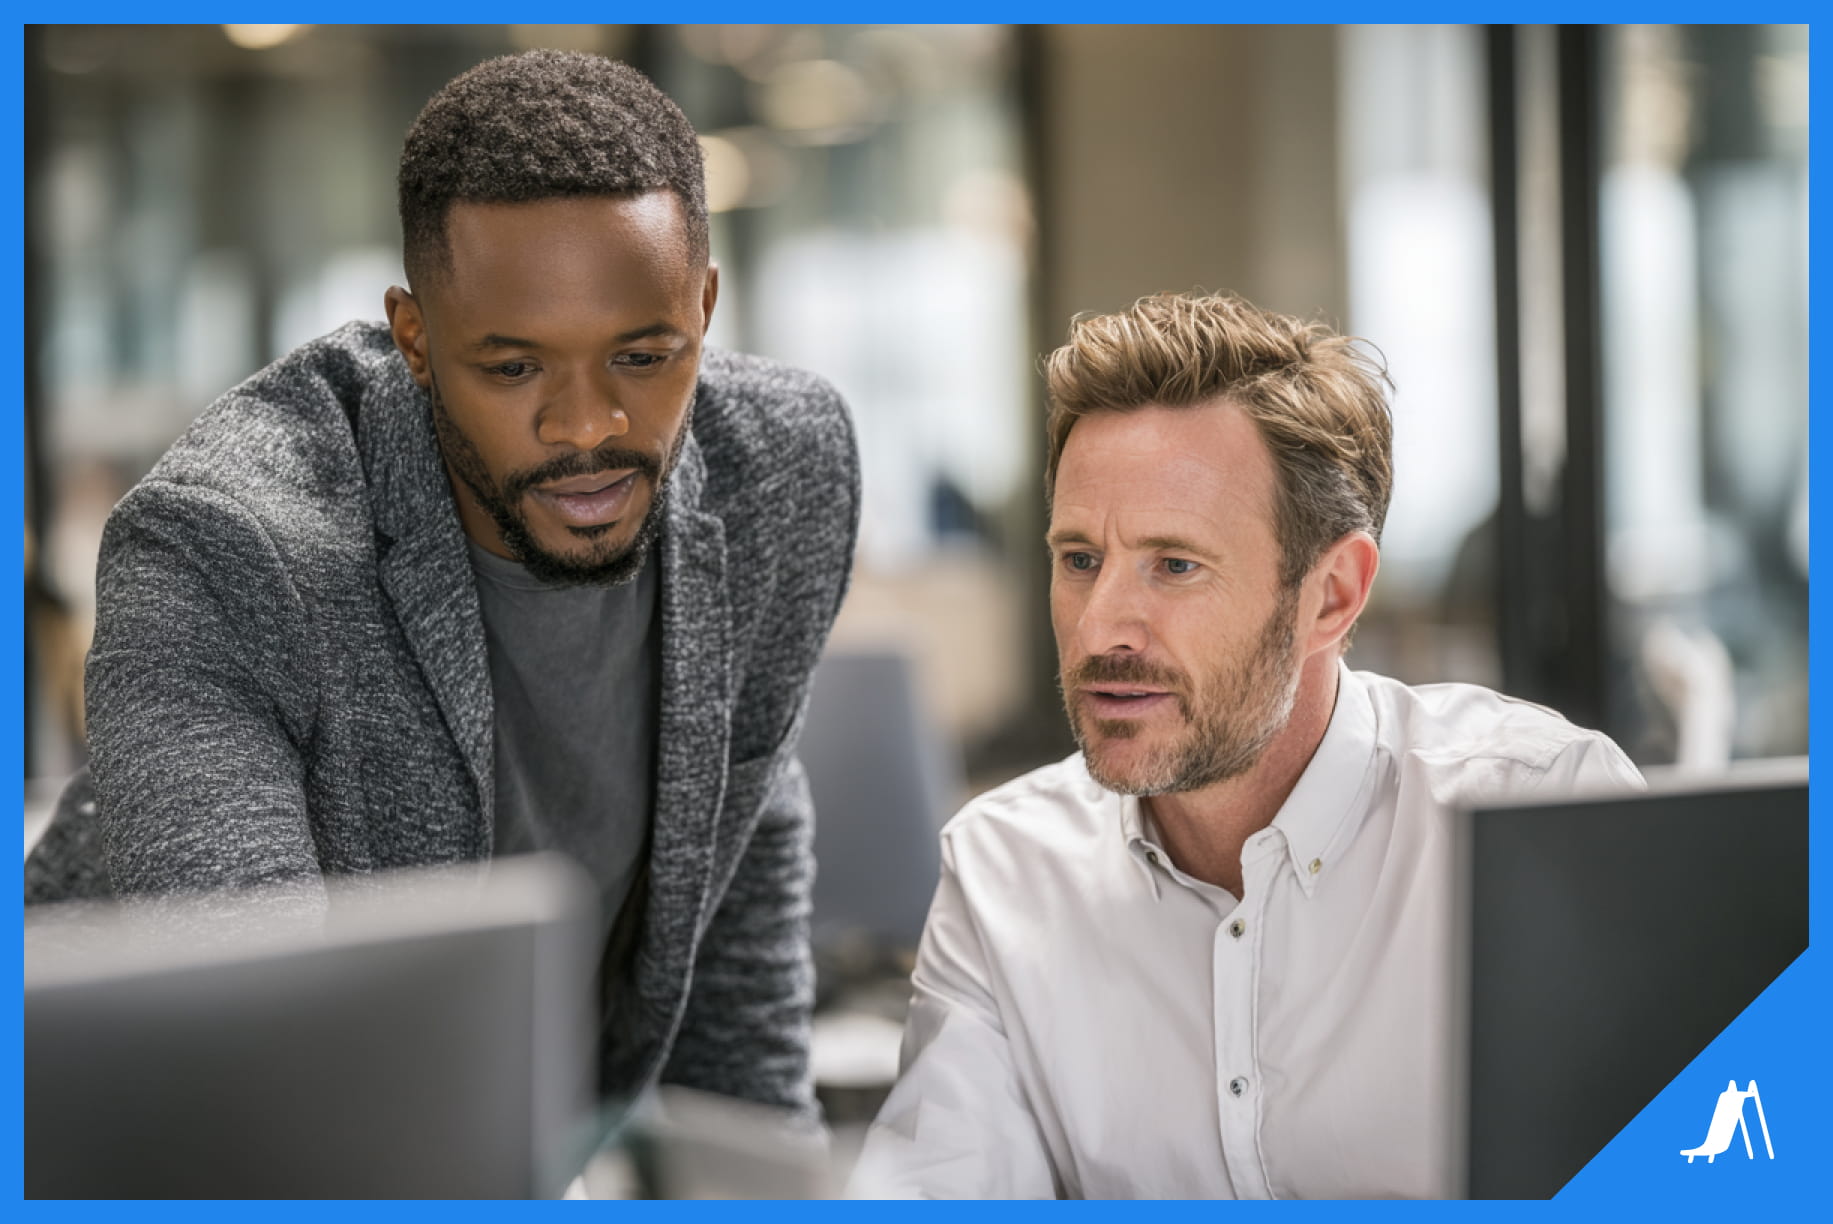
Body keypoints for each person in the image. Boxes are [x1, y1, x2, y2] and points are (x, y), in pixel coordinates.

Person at [24, 51, 860, 1121]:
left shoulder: (779, 468)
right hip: (139, 1141)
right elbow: (261, 1048)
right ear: (414, 340)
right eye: (513, 369)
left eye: (644, 357)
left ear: (704, 304)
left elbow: (733, 858)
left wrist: (758, 1175)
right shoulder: (224, 545)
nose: (587, 428)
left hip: (509, 1137)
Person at [852, 291, 1640, 1197]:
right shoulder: (1005, 871)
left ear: (1331, 596)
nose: (1100, 625)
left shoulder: (1545, 809)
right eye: (1079, 560)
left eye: (1174, 565)